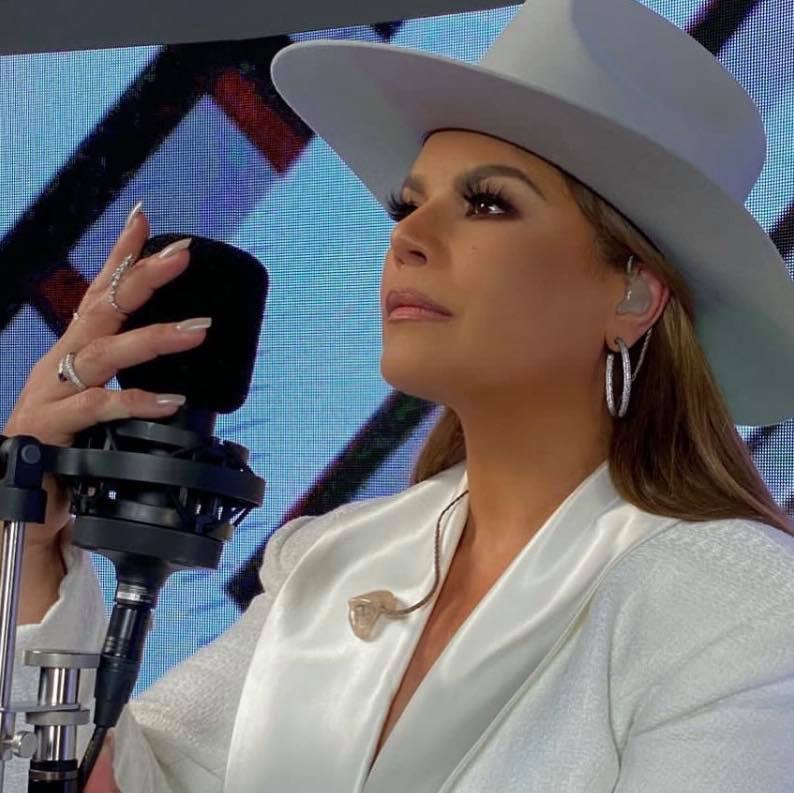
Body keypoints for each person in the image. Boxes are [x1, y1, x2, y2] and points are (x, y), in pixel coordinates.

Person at [5, 0, 794, 790]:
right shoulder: (330, 559)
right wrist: (32, 550)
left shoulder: (739, 604)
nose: (407, 237)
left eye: (487, 203)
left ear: (633, 294)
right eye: (408, 205)